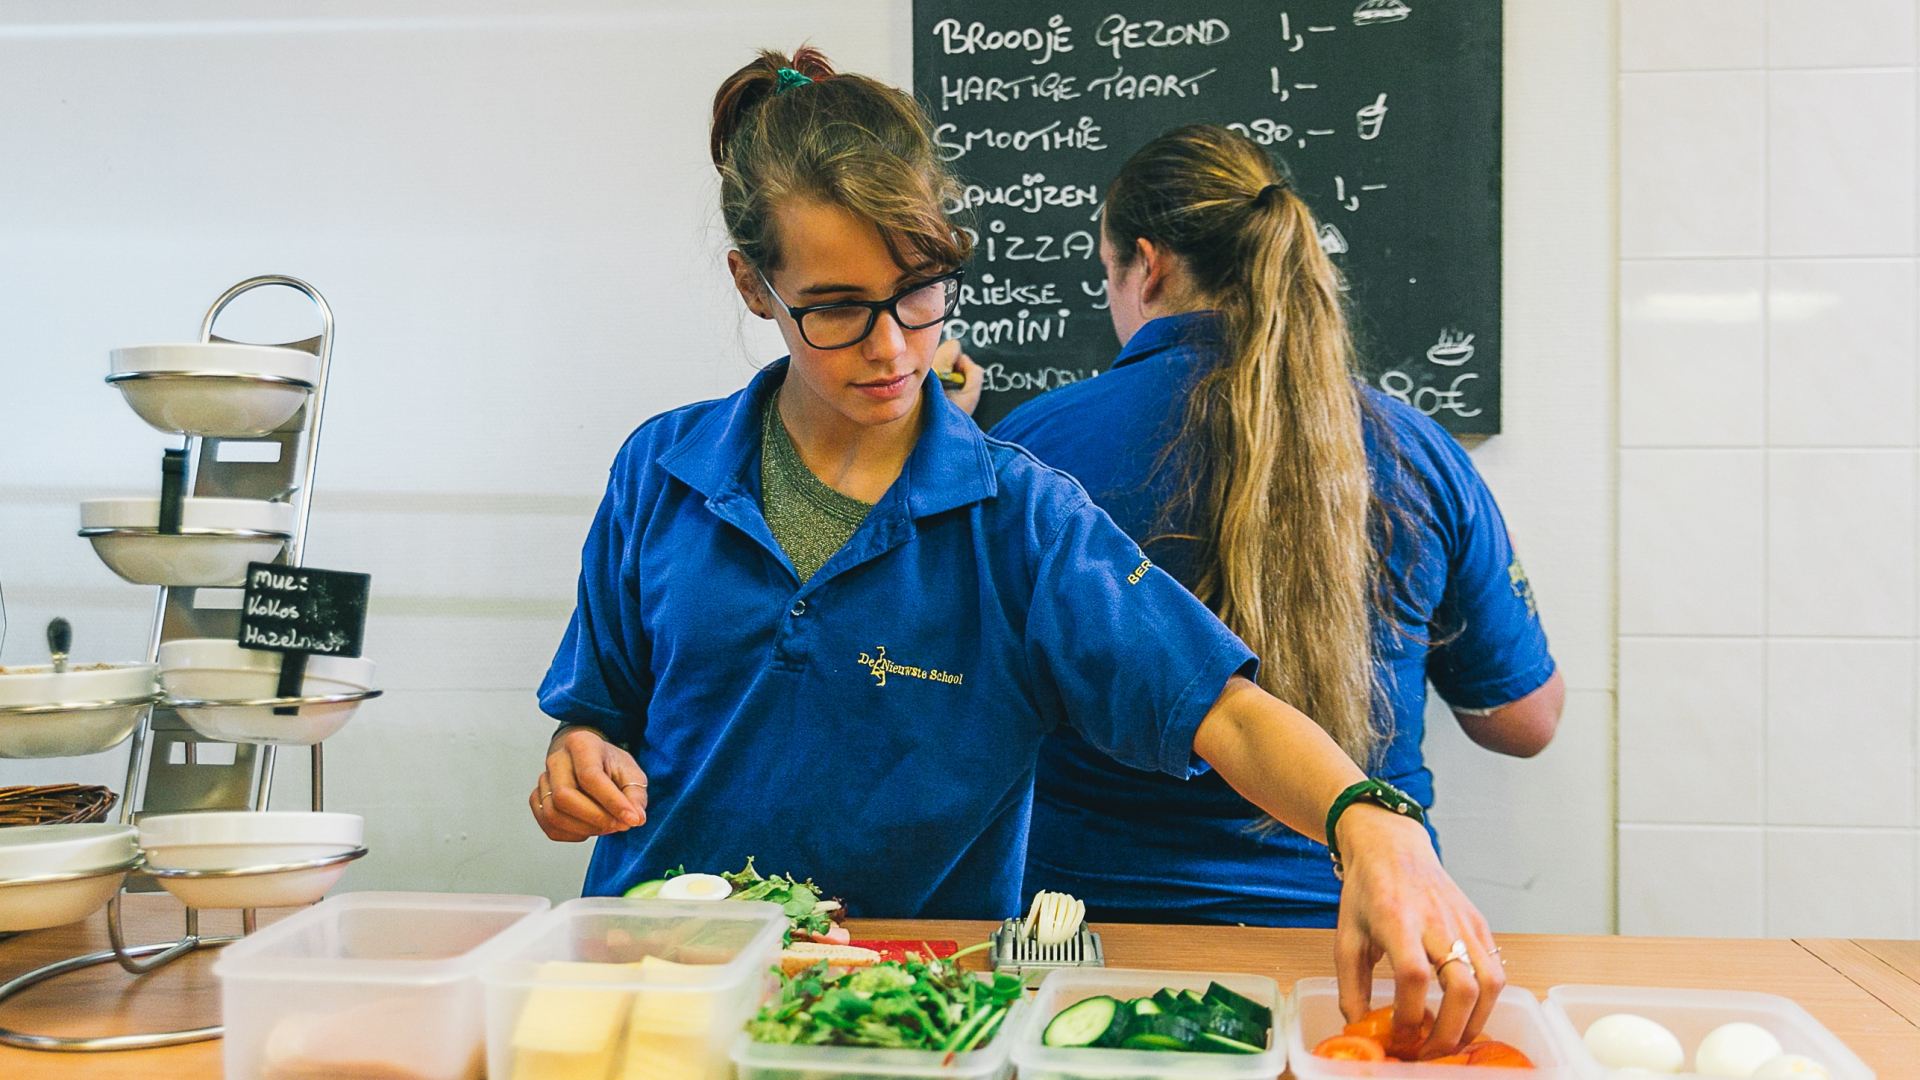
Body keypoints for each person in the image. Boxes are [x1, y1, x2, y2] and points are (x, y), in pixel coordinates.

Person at [532, 52, 1504, 1055]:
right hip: (655, 993)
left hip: (896, 1019)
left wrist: (1368, 819)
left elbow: (1225, 711)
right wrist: (577, 761)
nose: (893, 346)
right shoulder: (663, 469)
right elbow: (597, 714)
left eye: (920, 291)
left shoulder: (1019, 515)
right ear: (754, 285)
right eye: (834, 306)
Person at [989, 124, 1564, 936]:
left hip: (1091, 948)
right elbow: (1523, 721)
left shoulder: (1035, 450)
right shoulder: (1418, 453)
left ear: (1145, 266)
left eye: (1107, 275)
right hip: (1358, 937)